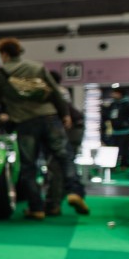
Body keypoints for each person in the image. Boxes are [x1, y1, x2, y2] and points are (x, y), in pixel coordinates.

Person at [0, 37, 89, 219]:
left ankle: (36, 208)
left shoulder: (3, 73)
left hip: (25, 123)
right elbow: (55, 91)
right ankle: (75, 192)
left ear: (4, 54)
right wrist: (65, 115)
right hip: (49, 117)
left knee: (29, 167)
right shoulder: (37, 67)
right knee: (64, 156)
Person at [44, 70, 85, 216]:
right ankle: (72, 195)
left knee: (56, 166)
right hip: (76, 127)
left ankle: (54, 204)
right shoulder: (63, 91)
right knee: (66, 163)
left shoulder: (49, 92)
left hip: (64, 128)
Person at [102, 87, 129, 168]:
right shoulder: (113, 104)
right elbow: (107, 115)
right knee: (113, 149)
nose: (112, 94)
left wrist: (128, 124)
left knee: (124, 149)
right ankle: (113, 165)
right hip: (115, 131)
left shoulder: (127, 104)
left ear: (120, 94)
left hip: (125, 131)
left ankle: (124, 165)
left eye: (115, 93)